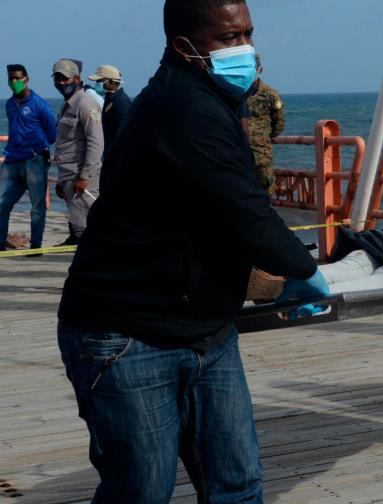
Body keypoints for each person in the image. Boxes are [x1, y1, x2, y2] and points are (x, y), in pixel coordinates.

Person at [56, 0, 328, 501]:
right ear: (184, 46)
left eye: (246, 32)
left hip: (206, 331)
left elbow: (224, 206)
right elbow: (242, 206)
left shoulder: (219, 97)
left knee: (237, 485)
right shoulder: (181, 105)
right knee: (141, 492)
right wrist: (303, 268)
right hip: (126, 334)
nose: (242, 47)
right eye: (226, 38)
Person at [1, 64, 57, 253]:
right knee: (2, 203)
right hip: (11, 162)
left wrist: (41, 150)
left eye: (17, 78)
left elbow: (52, 131)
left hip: (35, 161)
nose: (14, 82)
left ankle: (36, 246)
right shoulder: (9, 104)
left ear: (27, 79)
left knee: (37, 206)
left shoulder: (38, 103)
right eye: (11, 79)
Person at [52, 58, 103, 246]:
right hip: (68, 177)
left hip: (82, 179)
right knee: (78, 225)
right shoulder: (67, 105)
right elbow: (66, 145)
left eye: (65, 78)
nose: (61, 83)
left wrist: (84, 176)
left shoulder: (86, 104)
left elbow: (96, 143)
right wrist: (60, 181)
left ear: (77, 77)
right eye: (57, 78)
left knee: (85, 228)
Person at [240, 53, 285, 194]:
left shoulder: (270, 94)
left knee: (265, 190)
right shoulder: (234, 93)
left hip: (261, 152)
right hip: (238, 150)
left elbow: (278, 123)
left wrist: (264, 137)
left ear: (259, 69)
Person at [88, 65, 132, 157]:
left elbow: (123, 135)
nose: (97, 84)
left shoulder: (121, 102)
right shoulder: (110, 99)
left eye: (99, 81)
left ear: (112, 82)